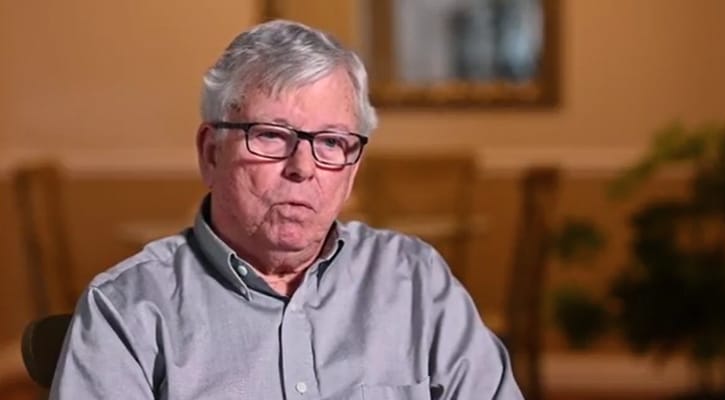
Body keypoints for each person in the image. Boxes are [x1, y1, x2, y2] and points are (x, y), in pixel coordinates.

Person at [50, 19, 524, 399]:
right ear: (211, 152)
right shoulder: (126, 311)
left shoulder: (416, 281)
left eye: (332, 142)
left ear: (351, 169)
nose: (303, 167)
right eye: (271, 136)